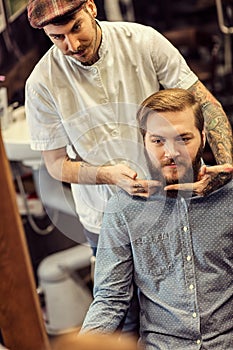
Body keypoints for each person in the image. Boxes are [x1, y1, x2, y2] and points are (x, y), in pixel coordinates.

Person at [25, 0, 233, 253]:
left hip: (173, 199)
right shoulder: (41, 83)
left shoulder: (143, 41)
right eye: (58, 38)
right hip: (104, 218)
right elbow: (56, 164)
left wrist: (225, 166)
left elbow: (207, 105)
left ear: (91, 8)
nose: (73, 44)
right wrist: (107, 174)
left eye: (77, 27)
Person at [80, 88, 233, 349]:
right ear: (144, 142)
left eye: (183, 139)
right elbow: (110, 299)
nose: (171, 152)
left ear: (204, 137)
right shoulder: (124, 208)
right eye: (158, 141)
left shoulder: (228, 197)